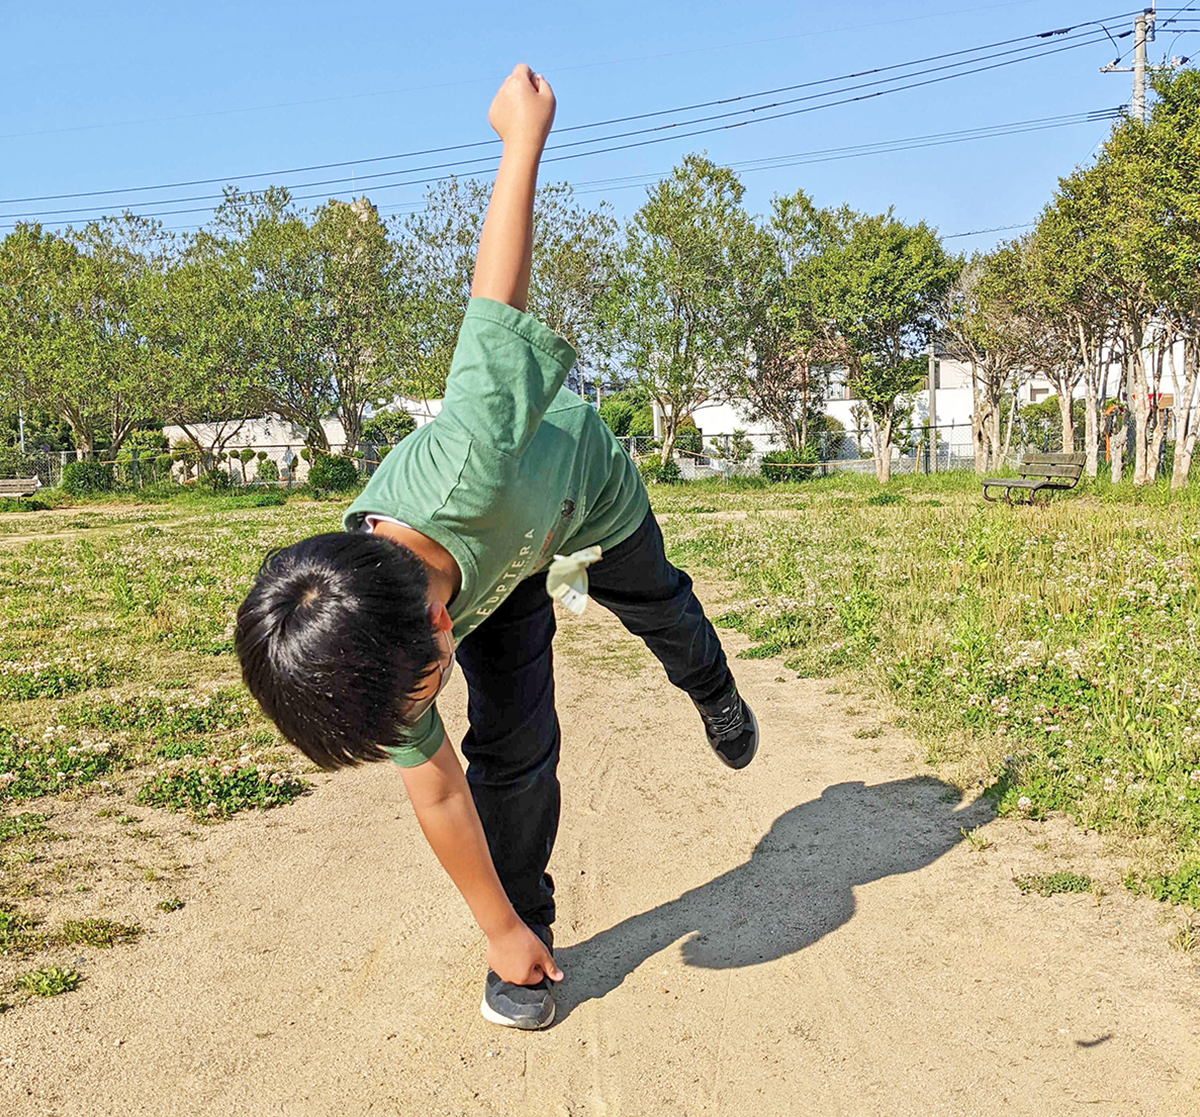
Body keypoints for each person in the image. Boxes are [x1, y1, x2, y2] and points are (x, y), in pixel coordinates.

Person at [235, 64, 758, 1031]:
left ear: (435, 623)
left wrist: (520, 136)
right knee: (513, 746)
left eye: (415, 695)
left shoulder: (467, 456)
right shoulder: (361, 649)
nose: (410, 723)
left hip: (586, 495)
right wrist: (496, 925)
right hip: (500, 579)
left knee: (662, 609)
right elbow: (438, 795)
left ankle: (714, 688)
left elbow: (494, 299)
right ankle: (532, 943)